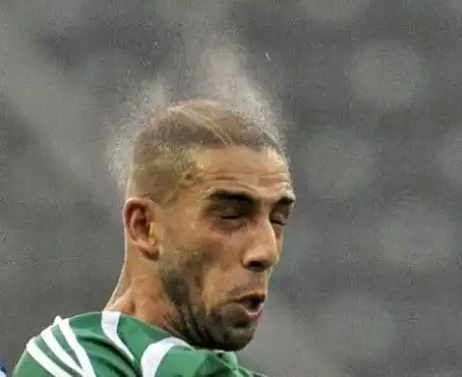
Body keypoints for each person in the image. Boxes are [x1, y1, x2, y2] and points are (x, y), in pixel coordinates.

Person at [14, 99, 295, 376]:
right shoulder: (74, 363)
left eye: (278, 219)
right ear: (144, 226)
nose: (268, 251)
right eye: (231, 215)